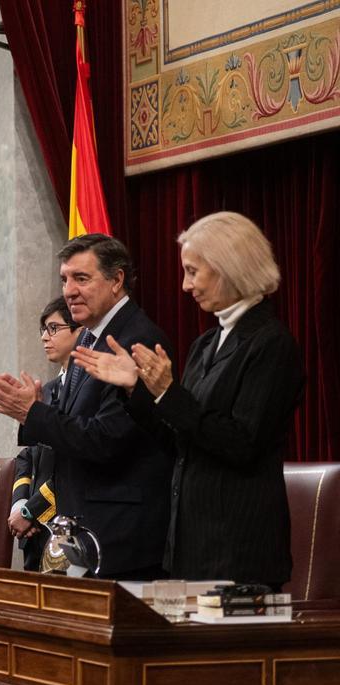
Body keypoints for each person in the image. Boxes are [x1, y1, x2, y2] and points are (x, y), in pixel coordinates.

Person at [73, 212, 304, 587]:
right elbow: (179, 441)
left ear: (229, 267)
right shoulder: (205, 344)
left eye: (193, 271)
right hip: (191, 549)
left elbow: (241, 443)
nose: (185, 285)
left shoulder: (272, 344)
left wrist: (168, 392)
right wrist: (138, 389)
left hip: (240, 555)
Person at [0, 234, 174, 580]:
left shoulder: (136, 340)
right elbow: (72, 428)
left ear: (116, 280)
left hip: (121, 539)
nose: (68, 290)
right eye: (65, 279)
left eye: (81, 278)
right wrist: (38, 412)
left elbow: (106, 440)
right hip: (83, 534)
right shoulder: (87, 335)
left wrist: (33, 414)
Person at [9, 297, 82, 571]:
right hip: (35, 535)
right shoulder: (48, 390)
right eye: (43, 329)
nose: (44, 337)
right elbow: (28, 457)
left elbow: (70, 462)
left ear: (79, 331)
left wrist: (32, 511)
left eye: (53, 328)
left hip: (65, 526)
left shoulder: (84, 391)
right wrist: (19, 504)